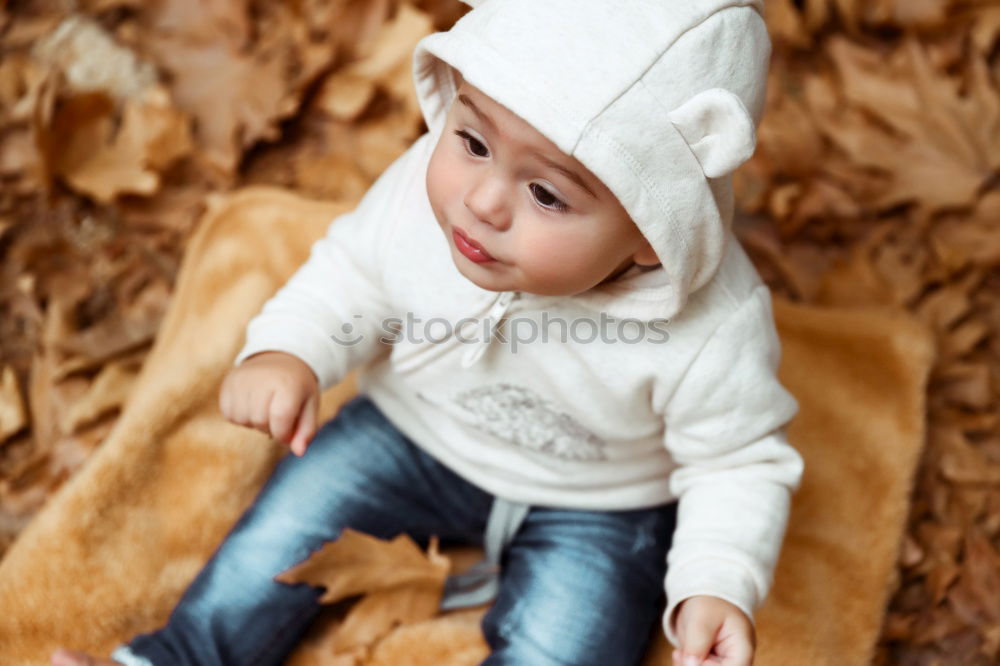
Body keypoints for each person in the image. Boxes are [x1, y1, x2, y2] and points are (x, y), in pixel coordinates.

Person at [51, 0, 804, 664]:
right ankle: (178, 656)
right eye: (472, 143)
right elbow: (354, 272)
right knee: (281, 536)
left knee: (568, 644)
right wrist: (291, 349)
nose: (481, 202)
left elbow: (737, 462)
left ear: (650, 232)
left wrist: (716, 583)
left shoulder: (712, 325)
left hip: (602, 505)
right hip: (412, 434)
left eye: (545, 193)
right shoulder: (422, 196)